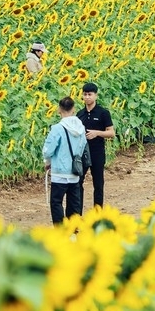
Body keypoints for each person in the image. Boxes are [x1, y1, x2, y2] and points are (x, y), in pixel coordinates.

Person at [42, 97, 88, 225]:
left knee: (56, 202)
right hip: (74, 171)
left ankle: (61, 232)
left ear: (59, 110)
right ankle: (73, 232)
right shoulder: (81, 127)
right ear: (73, 109)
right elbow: (83, 145)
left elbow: (48, 150)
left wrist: (47, 161)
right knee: (74, 203)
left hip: (59, 173)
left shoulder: (57, 128)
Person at [77, 82, 115, 209]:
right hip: (82, 153)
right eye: (85, 94)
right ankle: (77, 214)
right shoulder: (80, 114)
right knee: (78, 182)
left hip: (97, 152)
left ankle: (97, 214)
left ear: (96, 96)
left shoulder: (103, 113)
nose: (87, 97)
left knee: (98, 184)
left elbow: (111, 132)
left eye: (90, 94)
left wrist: (97, 133)